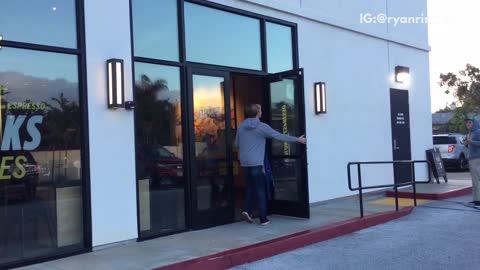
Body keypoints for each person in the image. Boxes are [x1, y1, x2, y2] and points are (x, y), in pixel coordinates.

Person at [235, 104, 306, 225]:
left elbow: (237, 144)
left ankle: (247, 210)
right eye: (260, 110)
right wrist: (297, 140)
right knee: (260, 189)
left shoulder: (241, 126)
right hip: (256, 162)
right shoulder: (262, 127)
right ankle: (263, 218)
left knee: (250, 187)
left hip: (244, 162)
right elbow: (278, 136)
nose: (262, 112)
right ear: (257, 112)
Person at [464, 117, 480, 208]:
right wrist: (466, 144)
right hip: (472, 158)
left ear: (474, 123)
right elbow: (469, 146)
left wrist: (471, 141)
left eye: (470, 122)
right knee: (476, 180)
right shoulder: (470, 133)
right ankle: (476, 199)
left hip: (476, 159)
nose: (467, 124)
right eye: (467, 123)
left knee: (476, 180)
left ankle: (477, 200)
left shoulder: (478, 131)